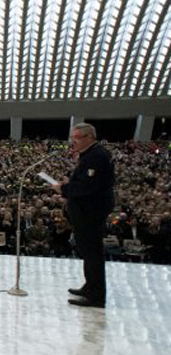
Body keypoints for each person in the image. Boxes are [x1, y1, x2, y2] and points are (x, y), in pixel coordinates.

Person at [53, 123, 115, 308]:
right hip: (85, 212)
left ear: (89, 137)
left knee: (93, 254)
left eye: (77, 137)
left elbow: (88, 187)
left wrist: (63, 188)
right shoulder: (91, 154)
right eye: (73, 137)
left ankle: (96, 296)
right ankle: (90, 287)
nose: (74, 141)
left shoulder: (96, 156)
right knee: (88, 253)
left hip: (91, 211)